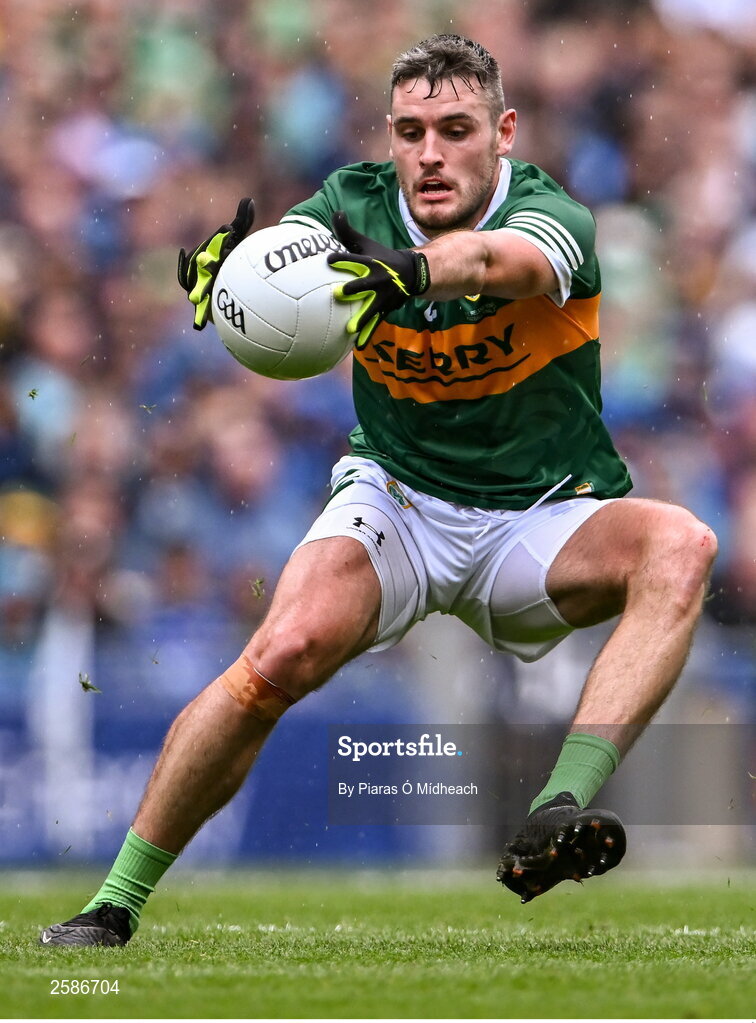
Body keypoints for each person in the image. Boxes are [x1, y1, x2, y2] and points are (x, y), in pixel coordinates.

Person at [40, 34, 716, 948]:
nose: (430, 153)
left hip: (540, 515)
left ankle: (557, 812)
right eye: (410, 131)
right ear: (389, 138)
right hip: (397, 498)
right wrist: (233, 288)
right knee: (279, 652)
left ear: (503, 132)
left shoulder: (556, 215)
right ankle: (112, 905)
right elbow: (283, 265)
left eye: (455, 129)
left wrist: (413, 270)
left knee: (682, 545)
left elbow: (492, 264)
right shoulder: (348, 203)